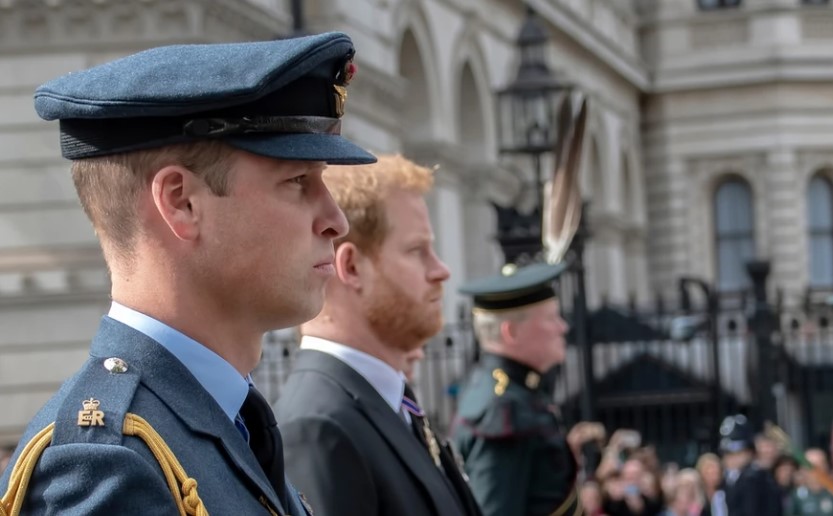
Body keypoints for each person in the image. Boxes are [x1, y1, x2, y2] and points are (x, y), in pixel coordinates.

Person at [0, 32, 375, 515]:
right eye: (298, 181)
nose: (335, 220)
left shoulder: (229, 419)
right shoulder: (108, 464)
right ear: (181, 202)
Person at [273, 154, 482, 516]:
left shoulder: (388, 399)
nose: (441, 271)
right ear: (351, 267)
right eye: (418, 251)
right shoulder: (318, 426)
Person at [450, 261, 581, 516]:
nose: (563, 327)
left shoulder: (516, 394)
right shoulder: (503, 410)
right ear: (511, 332)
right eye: (551, 318)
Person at [714, 414, 783, 516]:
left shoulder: (752, 477)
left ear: (749, 452)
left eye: (737, 453)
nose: (730, 458)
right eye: (727, 453)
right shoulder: (734, 478)